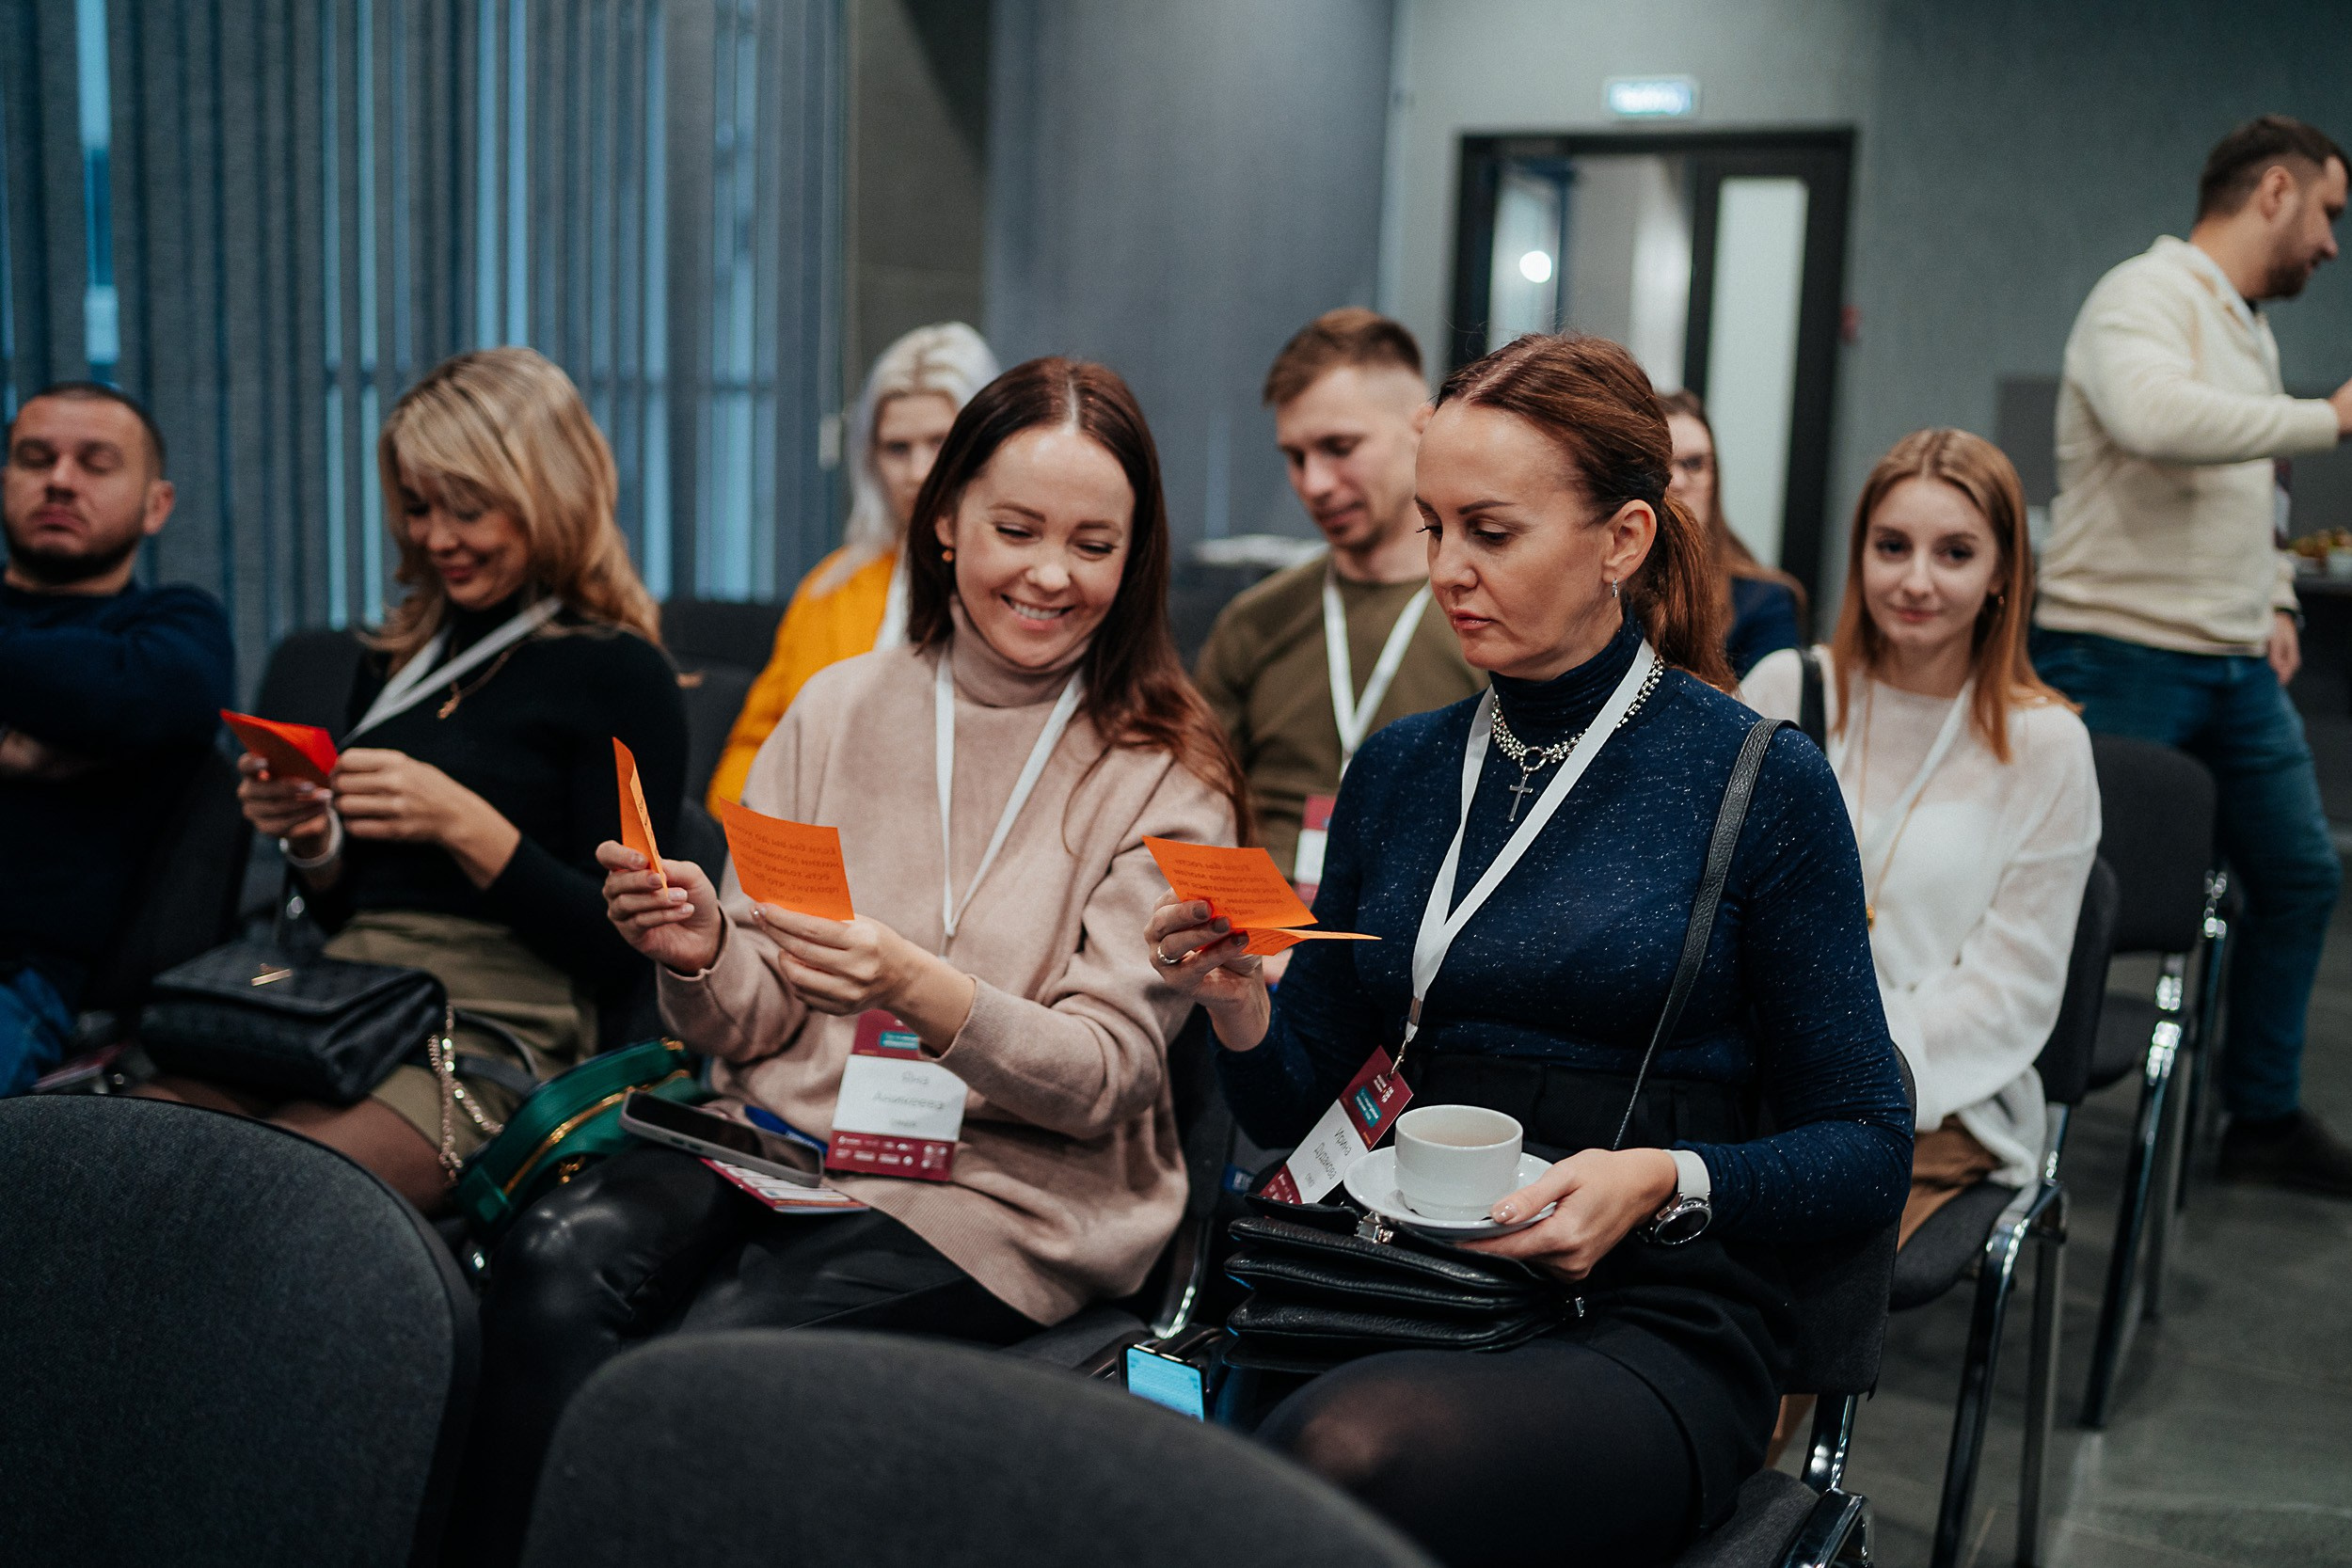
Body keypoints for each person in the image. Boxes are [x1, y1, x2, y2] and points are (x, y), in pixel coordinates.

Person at [454, 357, 1248, 1564]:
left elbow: (1104, 1078)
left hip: (1011, 1193)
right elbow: (752, 1023)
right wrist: (704, 948)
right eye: (1016, 528)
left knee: (731, 1348)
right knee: (555, 1264)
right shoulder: (835, 708)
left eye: (1094, 543)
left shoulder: (1166, 773)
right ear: (942, 524)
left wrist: (908, 983)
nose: (1049, 572)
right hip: (782, 1140)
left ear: (1135, 559)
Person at [1148, 334, 1910, 1567]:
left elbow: (1870, 1144)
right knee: (1203, 1456)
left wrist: (1664, 1177)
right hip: (1393, 1268)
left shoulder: (1757, 781)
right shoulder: (1400, 769)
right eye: (1432, 526)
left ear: (1622, 540)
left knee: (1346, 1458)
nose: (1444, 568)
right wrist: (1239, 1001)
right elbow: (1297, 1094)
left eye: (1488, 532)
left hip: (1642, 1302)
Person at [139, 348, 686, 1211]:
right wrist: (313, 838)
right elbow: (338, 908)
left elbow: (622, 948)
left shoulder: (619, 671)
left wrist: (464, 824)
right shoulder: (396, 660)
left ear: (549, 492)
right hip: (342, 997)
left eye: (469, 509)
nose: (437, 538)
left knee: (272, 1202)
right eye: (419, 507)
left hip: (494, 1016)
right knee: (124, 1158)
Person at [2032, 114, 2352, 1196]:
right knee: (2083, 894)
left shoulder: (2246, 327)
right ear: (2274, 189)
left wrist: (2272, 594)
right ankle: (2013, 1105)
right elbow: (2156, 418)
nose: (2330, 243)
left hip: (2228, 662)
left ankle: (2256, 1115)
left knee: (2303, 874)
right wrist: (2331, 417)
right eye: (2328, 213)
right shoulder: (2142, 295)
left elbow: (2254, 476)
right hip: (2120, 649)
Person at [1746, 430, 2098, 1238]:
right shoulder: (1789, 687)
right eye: (1892, 546)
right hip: (1758, 1076)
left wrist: (1840, 1054)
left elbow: (2010, 993)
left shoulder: (2046, 745)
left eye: (1955, 553)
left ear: (2004, 573)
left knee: (1778, 1263)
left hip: (1933, 1098)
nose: (1914, 580)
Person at [1194, 309, 1483, 912]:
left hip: (1423, 934)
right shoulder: (1254, 623)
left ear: (1423, 429)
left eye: (1339, 447)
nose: (1315, 483)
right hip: (1261, 945)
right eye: (1296, 457)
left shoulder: (1486, 615)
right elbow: (1195, 810)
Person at [1, 383, 233, 1095]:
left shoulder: (173, 625)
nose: (60, 480)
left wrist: (80, 708)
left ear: (155, 504)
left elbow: (142, 696)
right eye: (34, 458)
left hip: (22, 976)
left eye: (95, 463)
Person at [707, 322, 998, 811]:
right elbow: (752, 749)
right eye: (897, 448)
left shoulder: (1019, 590)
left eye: (939, 442)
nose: (918, 471)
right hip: (811, 856)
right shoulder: (830, 588)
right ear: (871, 459)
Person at [1659, 388, 1806, 677]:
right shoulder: (1605, 585)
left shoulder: (1764, 601)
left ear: (1715, 478)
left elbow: (1764, 716)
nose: (1676, 481)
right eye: (1659, 461)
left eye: (1694, 464)